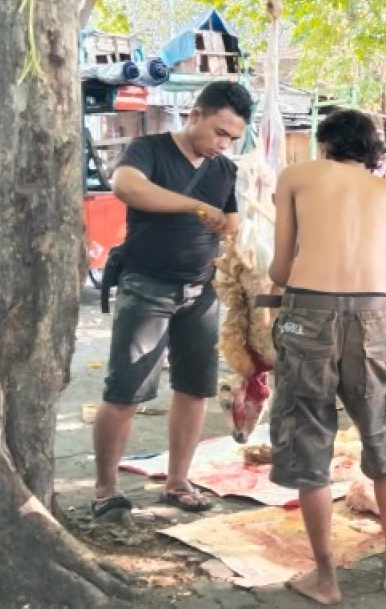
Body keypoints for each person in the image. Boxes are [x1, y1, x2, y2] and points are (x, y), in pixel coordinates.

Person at [267, 109, 386, 602]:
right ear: (372, 151)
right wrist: (367, 305)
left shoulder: (295, 177)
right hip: (371, 315)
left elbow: (279, 271)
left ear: (325, 145)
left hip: (305, 314)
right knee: (383, 437)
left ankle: (326, 579)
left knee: (308, 436)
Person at [92, 81, 251, 519]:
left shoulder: (224, 169)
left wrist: (233, 227)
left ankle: (178, 481)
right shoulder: (150, 149)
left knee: (195, 389)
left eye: (233, 138)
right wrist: (193, 207)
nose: (224, 144)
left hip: (203, 291)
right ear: (195, 115)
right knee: (125, 392)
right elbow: (125, 186)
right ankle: (106, 490)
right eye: (220, 132)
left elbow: (232, 221)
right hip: (147, 287)